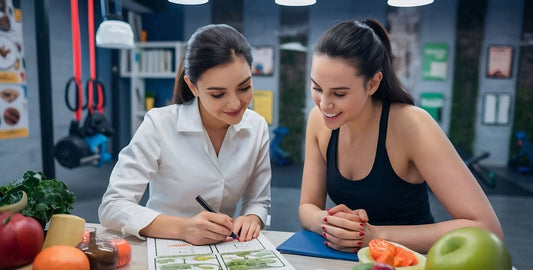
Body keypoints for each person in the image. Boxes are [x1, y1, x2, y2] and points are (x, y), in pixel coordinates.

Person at [299, 19, 503, 253]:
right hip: (353, 266)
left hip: (416, 266)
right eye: (316, 88)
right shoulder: (318, 120)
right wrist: (328, 223)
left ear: (373, 83)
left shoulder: (413, 125)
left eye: (339, 93)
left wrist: (376, 236)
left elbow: (487, 230)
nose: (325, 104)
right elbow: (307, 207)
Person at [99, 24, 271, 245]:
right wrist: (183, 228)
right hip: (164, 245)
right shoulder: (159, 124)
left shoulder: (256, 126)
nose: (236, 103)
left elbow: (259, 201)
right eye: (218, 94)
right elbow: (113, 206)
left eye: (244, 87)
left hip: (224, 248)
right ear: (192, 86)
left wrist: (252, 218)